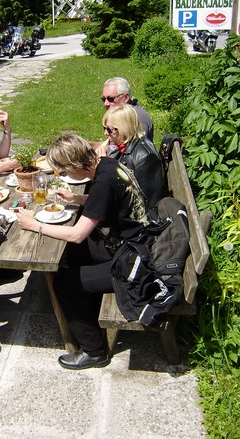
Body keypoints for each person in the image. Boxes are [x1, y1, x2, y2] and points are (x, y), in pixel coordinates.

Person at [16, 134, 152, 370]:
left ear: (75, 165)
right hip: (132, 240)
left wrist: (35, 225)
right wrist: (76, 198)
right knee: (68, 255)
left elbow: (77, 233)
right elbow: (107, 199)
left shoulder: (103, 181)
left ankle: (94, 351)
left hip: (130, 259)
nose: (63, 175)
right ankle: (85, 306)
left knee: (64, 282)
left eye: (64, 171)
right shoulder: (107, 165)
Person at [97, 104, 165, 209]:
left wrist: (105, 165)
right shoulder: (125, 145)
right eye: (104, 128)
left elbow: (146, 203)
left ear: (124, 128)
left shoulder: (145, 158)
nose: (105, 133)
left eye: (110, 130)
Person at [101, 77, 154, 141]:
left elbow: (136, 148)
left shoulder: (138, 118)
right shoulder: (121, 115)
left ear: (126, 98)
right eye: (104, 99)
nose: (106, 104)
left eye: (110, 99)